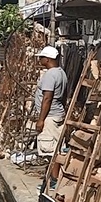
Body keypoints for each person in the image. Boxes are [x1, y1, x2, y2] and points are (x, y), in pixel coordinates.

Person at [34, 46, 68, 191]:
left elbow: (47, 98)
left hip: (50, 117)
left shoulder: (50, 75)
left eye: (41, 57)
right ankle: (52, 180)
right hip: (58, 113)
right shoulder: (61, 73)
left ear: (47, 59)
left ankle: (54, 182)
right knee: (57, 149)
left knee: (51, 151)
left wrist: (41, 120)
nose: (39, 59)